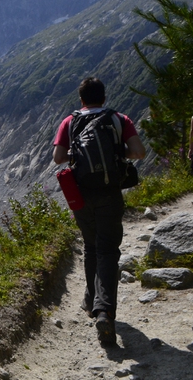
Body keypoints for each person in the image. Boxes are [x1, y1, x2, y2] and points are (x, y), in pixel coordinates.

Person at [53, 77, 146, 345]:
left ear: (81, 99)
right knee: (108, 249)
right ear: (104, 98)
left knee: (91, 246)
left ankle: (91, 300)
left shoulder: (69, 122)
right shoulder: (119, 119)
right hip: (109, 193)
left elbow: (58, 158)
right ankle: (104, 309)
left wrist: (78, 154)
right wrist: (117, 152)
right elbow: (138, 152)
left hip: (80, 194)